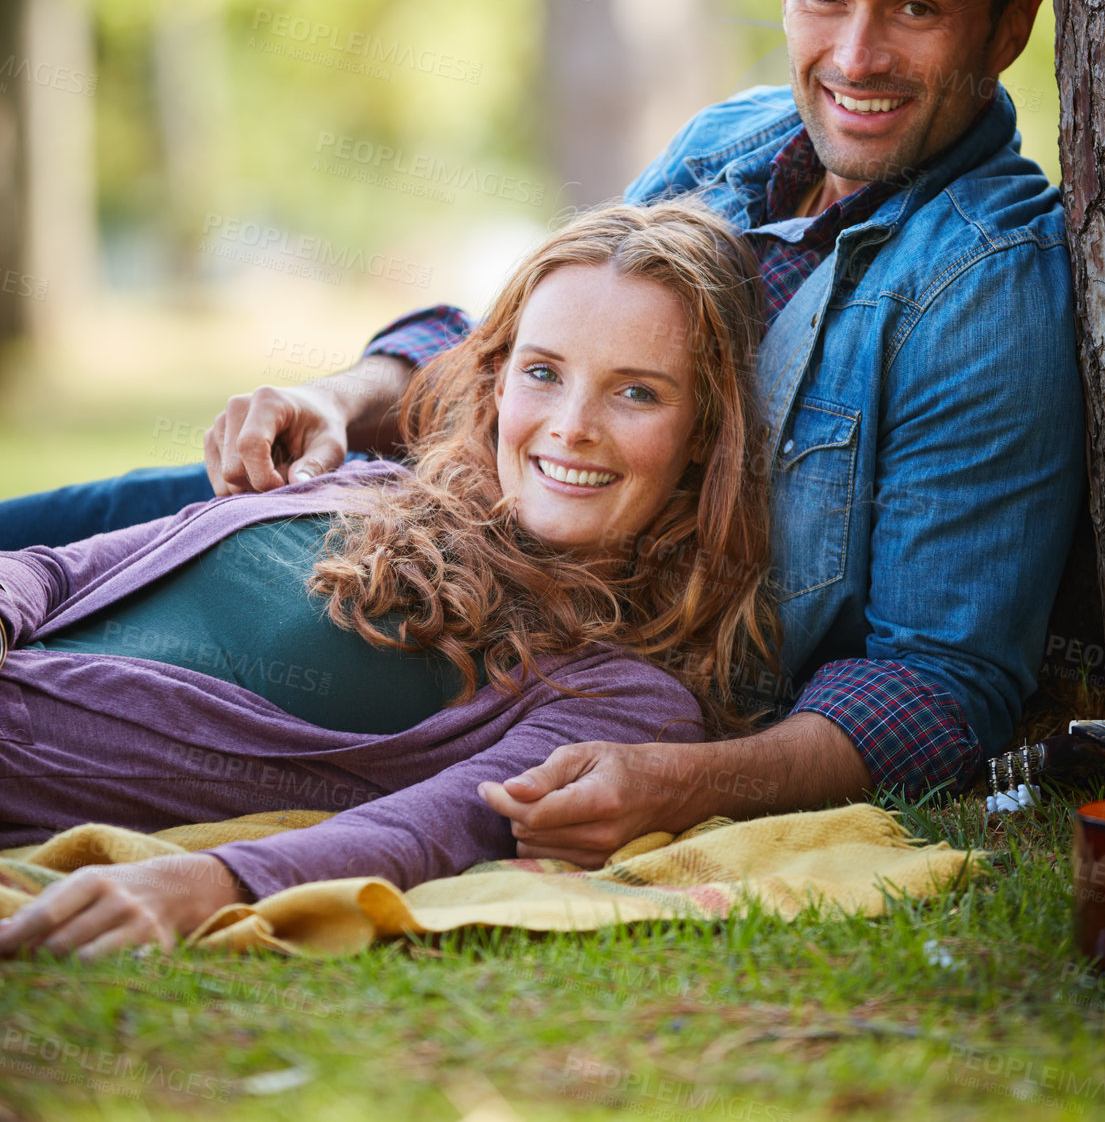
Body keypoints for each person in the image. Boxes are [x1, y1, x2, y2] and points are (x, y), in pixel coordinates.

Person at [0, 0, 1085, 862]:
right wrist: (341, 396)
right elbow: (529, 341)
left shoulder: (983, 289)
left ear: (1006, 29)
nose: (854, 56)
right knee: (108, 520)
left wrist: (683, 780)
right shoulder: (734, 141)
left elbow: (941, 684)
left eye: (916, 8)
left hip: (538, 663)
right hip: (421, 532)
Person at [0, 201, 774, 957]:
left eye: (636, 391)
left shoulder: (621, 694)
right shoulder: (364, 483)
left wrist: (210, 881)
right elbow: (53, 569)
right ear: (497, 384)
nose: (573, 424)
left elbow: (423, 828)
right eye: (543, 372)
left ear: (704, 431)